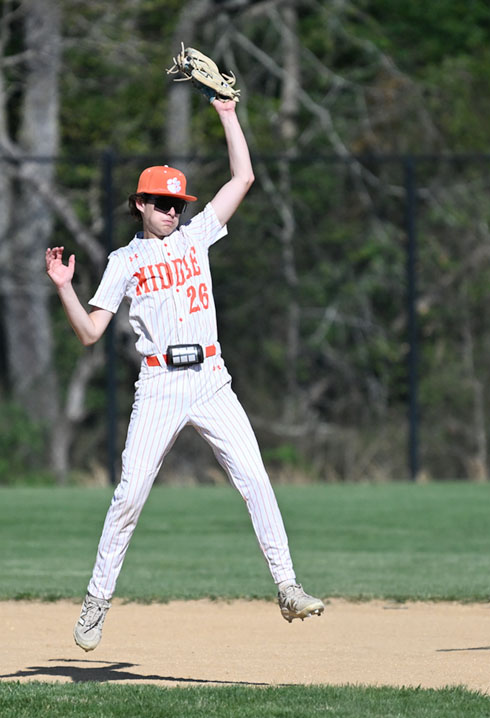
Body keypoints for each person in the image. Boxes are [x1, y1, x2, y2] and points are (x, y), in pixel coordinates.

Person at [45, 98, 323, 653]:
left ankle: (288, 587)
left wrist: (227, 114)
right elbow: (91, 333)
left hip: (212, 378)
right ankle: (97, 600)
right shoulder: (124, 262)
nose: (173, 210)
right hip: (159, 385)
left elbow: (243, 178)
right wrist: (64, 288)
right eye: (164, 203)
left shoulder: (197, 236)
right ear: (140, 204)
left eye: (179, 203)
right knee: (129, 496)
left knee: (255, 478)